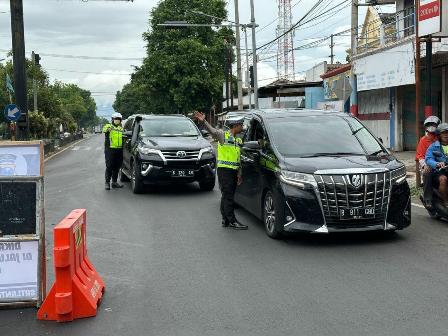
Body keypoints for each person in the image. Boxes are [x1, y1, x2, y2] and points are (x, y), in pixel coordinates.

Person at [194, 111, 248, 230]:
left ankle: (225, 219)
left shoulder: (237, 140)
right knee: (228, 196)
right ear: (235, 126)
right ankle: (232, 220)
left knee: (226, 196)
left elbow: (238, 159)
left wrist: (239, 173)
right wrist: (203, 121)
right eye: (241, 125)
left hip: (233, 171)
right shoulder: (223, 135)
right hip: (225, 171)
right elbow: (212, 131)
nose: (242, 127)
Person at [417, 116, 440, 206]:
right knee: (427, 173)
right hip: (427, 164)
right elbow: (420, 156)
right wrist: (425, 165)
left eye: (433, 133)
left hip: (441, 163)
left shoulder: (441, 139)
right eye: (429, 132)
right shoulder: (423, 140)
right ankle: (428, 198)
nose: (431, 135)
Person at [425, 123, 448, 206]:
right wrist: (437, 163)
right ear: (439, 135)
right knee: (443, 179)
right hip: (439, 171)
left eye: (447, 133)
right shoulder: (434, 147)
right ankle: (446, 201)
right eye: (444, 133)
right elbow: (428, 159)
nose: (446, 135)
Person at [103, 113, 124, 190]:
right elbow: (104, 129)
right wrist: (108, 129)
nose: (117, 120)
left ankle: (114, 182)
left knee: (117, 166)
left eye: (118, 119)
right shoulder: (109, 126)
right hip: (110, 149)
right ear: (112, 119)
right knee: (109, 166)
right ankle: (107, 183)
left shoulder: (121, 128)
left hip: (119, 149)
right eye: (116, 119)